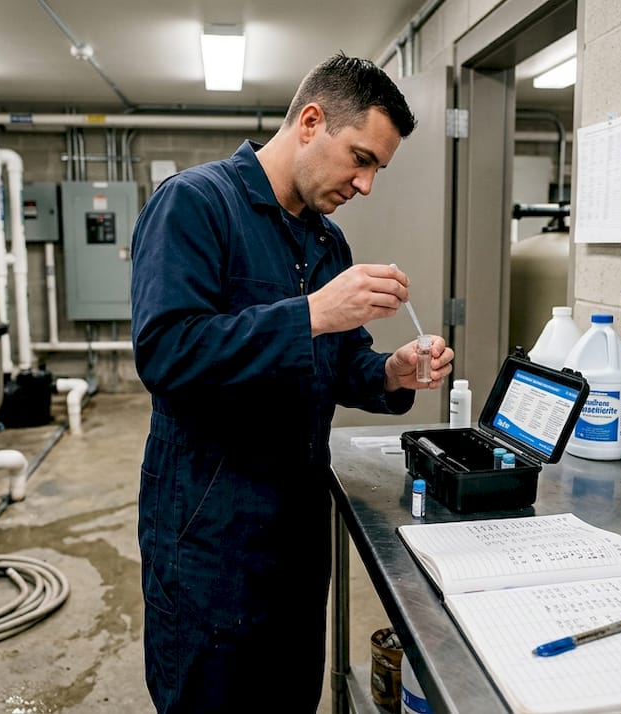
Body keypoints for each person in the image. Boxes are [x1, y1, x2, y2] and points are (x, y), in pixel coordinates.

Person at [129, 52, 453, 713]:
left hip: (297, 535)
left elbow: (342, 363)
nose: (365, 184)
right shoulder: (195, 204)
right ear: (311, 121)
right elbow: (166, 354)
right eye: (360, 158)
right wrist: (311, 313)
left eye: (378, 170)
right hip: (208, 534)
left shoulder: (327, 243)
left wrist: (391, 371)